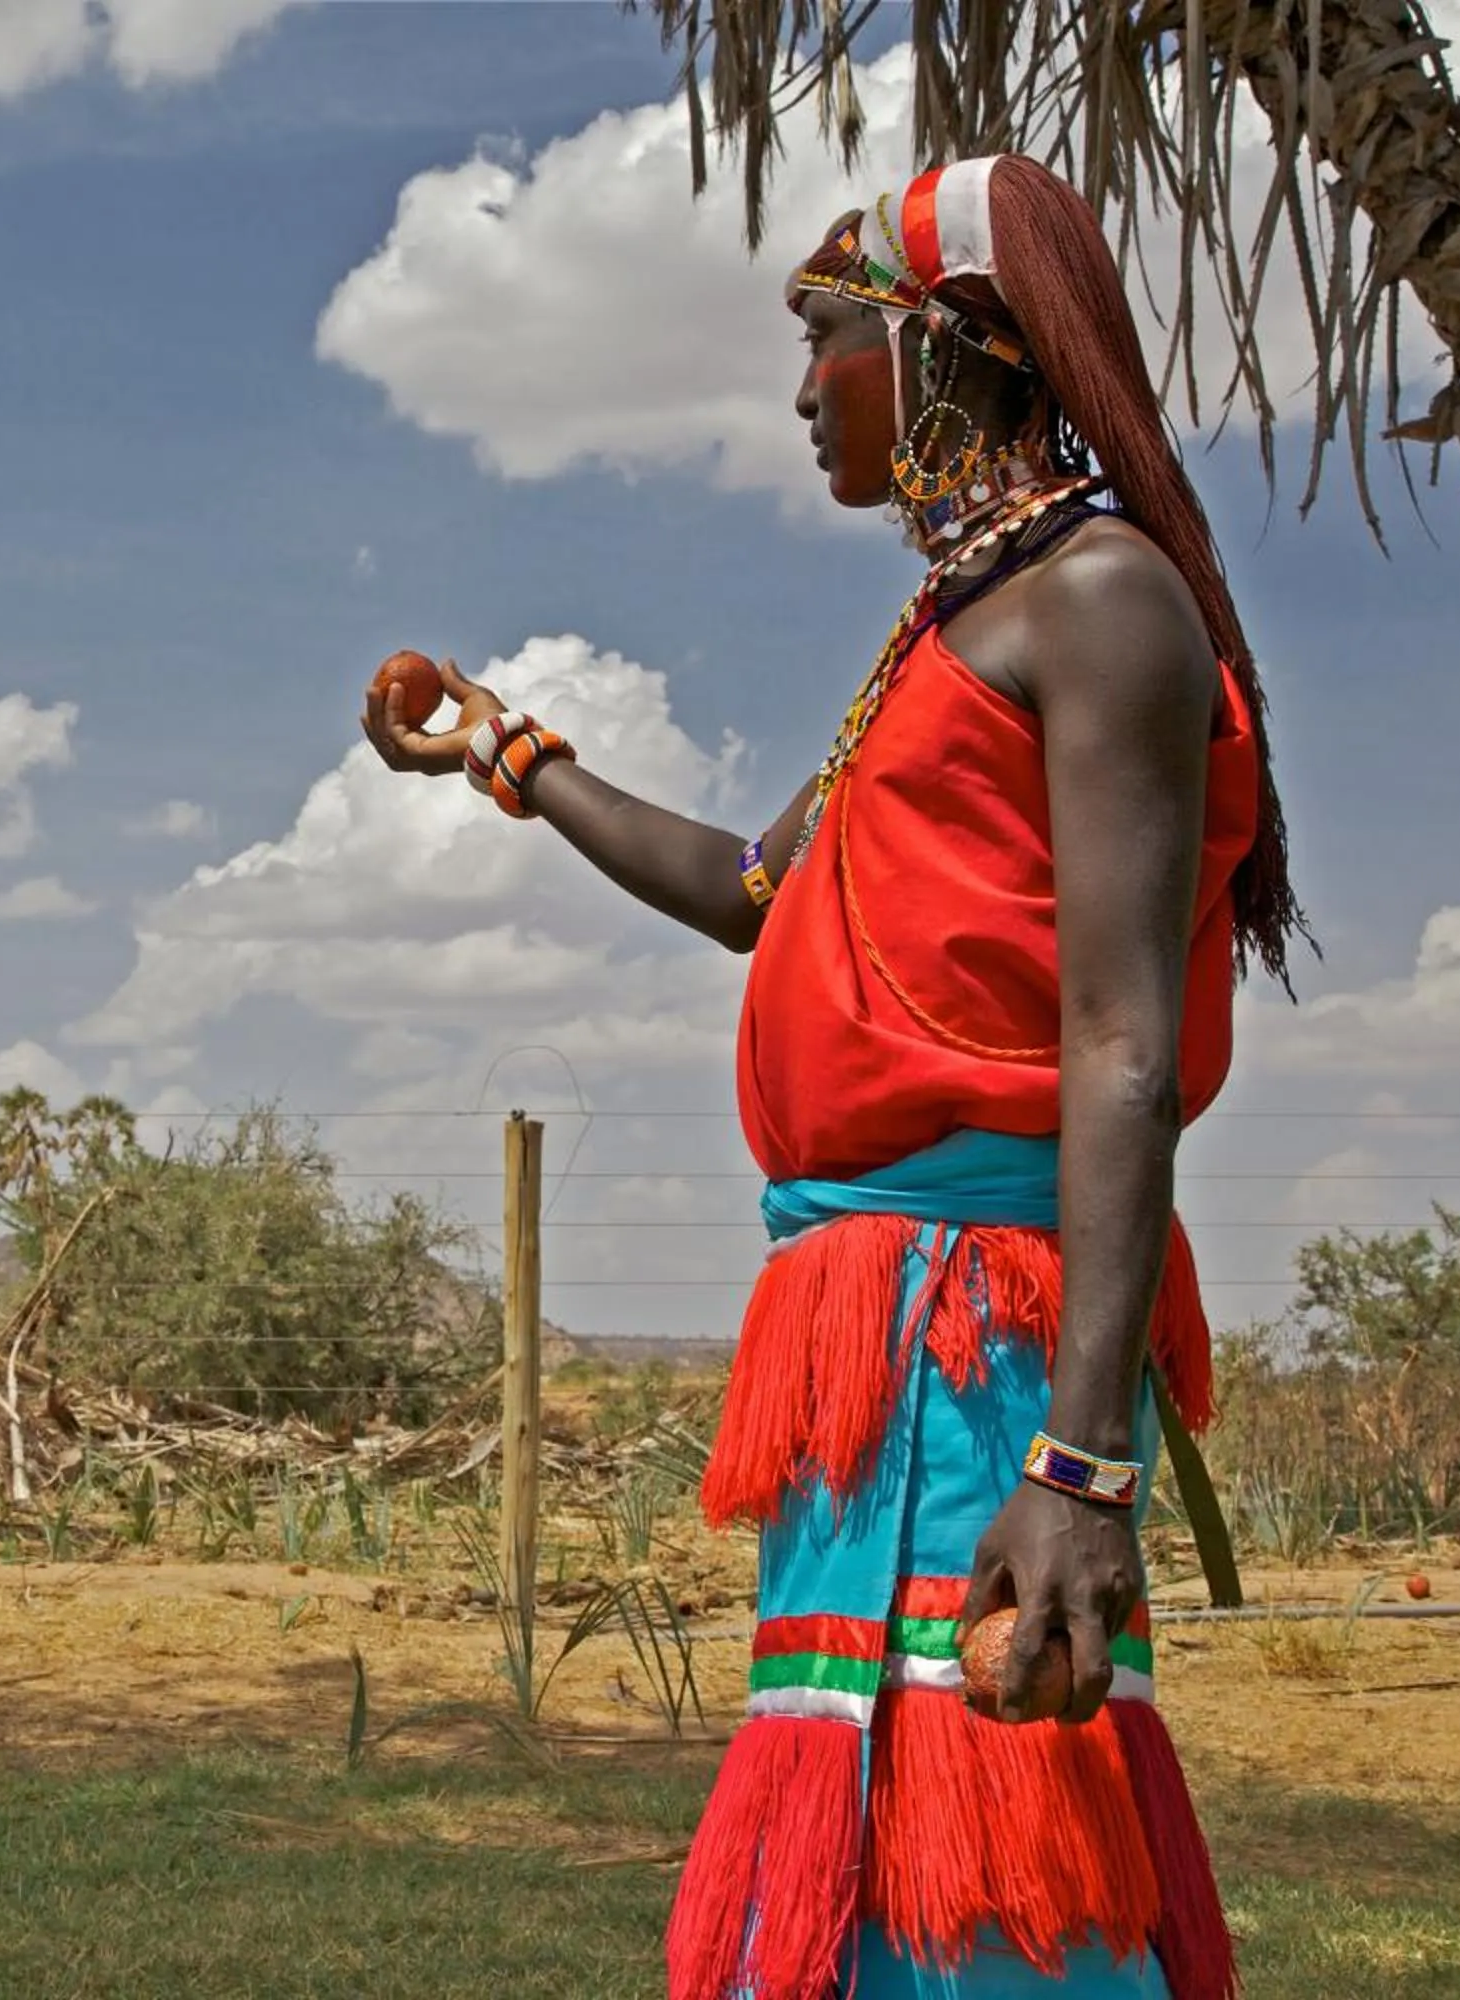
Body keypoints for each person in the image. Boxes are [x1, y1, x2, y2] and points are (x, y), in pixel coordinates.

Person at [362, 154, 1301, 2000]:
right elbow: (750, 889)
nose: (804, 393)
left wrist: (1080, 1464)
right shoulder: (952, 633)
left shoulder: (1100, 602)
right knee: (867, 1819)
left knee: (986, 1855)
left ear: (952, 346)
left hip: (987, 1340)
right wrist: (510, 756)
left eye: (828, 341)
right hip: (873, 1333)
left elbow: (1121, 1047)